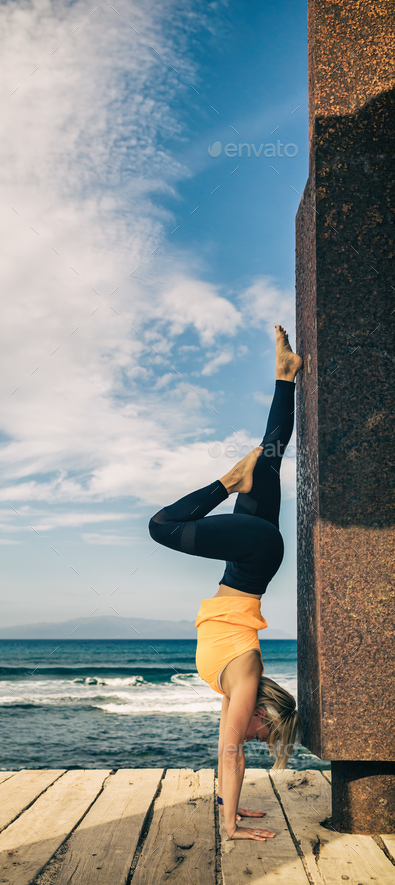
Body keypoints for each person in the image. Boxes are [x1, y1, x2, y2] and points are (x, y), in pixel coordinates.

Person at [148, 325, 303, 843]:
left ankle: (286, 376)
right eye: (269, 735)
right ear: (265, 713)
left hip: (250, 564)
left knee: (271, 457)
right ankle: (226, 482)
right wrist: (231, 826)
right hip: (254, 556)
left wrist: (228, 809)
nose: (260, 739)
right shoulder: (248, 681)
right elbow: (233, 751)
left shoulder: (237, 687)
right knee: (161, 527)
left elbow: (226, 752)